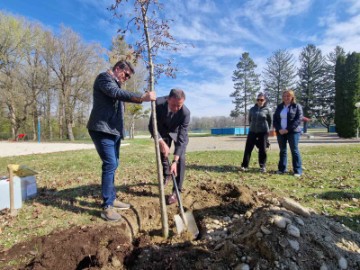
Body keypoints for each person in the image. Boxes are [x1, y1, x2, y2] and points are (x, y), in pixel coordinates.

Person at [87, 60, 156, 221]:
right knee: (110, 164)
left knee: (114, 164)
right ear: (118, 69)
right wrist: (141, 97)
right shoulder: (103, 78)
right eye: (126, 75)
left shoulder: (116, 84)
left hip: (113, 131)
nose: (126, 78)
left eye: (129, 77)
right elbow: (116, 94)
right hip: (101, 128)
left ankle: (112, 198)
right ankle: (107, 207)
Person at [149, 88, 190, 205]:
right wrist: (161, 142)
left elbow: (182, 138)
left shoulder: (185, 113)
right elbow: (151, 125)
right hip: (162, 131)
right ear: (168, 99)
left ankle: (176, 192)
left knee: (181, 158)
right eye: (174, 105)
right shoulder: (157, 103)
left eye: (179, 105)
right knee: (163, 153)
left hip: (176, 132)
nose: (176, 109)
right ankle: (167, 175)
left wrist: (175, 161)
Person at [273, 89, 303, 177]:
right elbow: (275, 120)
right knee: (282, 150)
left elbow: (298, 119)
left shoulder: (297, 106)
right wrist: (279, 129)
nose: (286, 98)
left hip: (293, 132)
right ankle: (282, 169)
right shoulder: (279, 107)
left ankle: (297, 170)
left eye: (288, 96)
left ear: (292, 97)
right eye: (284, 96)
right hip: (280, 132)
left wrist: (287, 129)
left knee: (294, 150)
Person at [240, 93, 272, 173]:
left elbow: (269, 121)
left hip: (263, 132)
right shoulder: (252, 109)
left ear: (264, 100)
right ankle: (245, 165)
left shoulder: (268, 110)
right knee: (248, 149)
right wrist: (252, 127)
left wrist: (267, 131)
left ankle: (262, 166)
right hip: (252, 131)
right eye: (258, 99)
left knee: (262, 150)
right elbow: (250, 120)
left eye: (261, 100)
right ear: (256, 100)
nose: (260, 101)